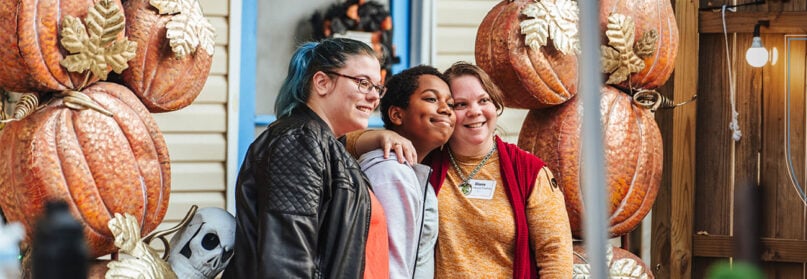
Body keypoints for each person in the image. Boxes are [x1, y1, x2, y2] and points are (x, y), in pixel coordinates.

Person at [346, 61, 573, 278]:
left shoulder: (529, 172)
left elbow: (556, 259)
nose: (475, 111)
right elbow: (342, 142)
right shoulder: (424, 159)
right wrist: (382, 135)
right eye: (460, 104)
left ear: (495, 105)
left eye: (483, 100)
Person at [224, 38, 389, 279]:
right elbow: (286, 262)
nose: (374, 97)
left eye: (378, 87)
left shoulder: (325, 146)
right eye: (363, 83)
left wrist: (379, 138)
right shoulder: (298, 142)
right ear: (322, 82)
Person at [355, 65, 453, 279]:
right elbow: (391, 266)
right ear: (397, 114)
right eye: (431, 99)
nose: (446, 109)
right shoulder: (392, 170)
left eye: (451, 103)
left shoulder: (409, 170)